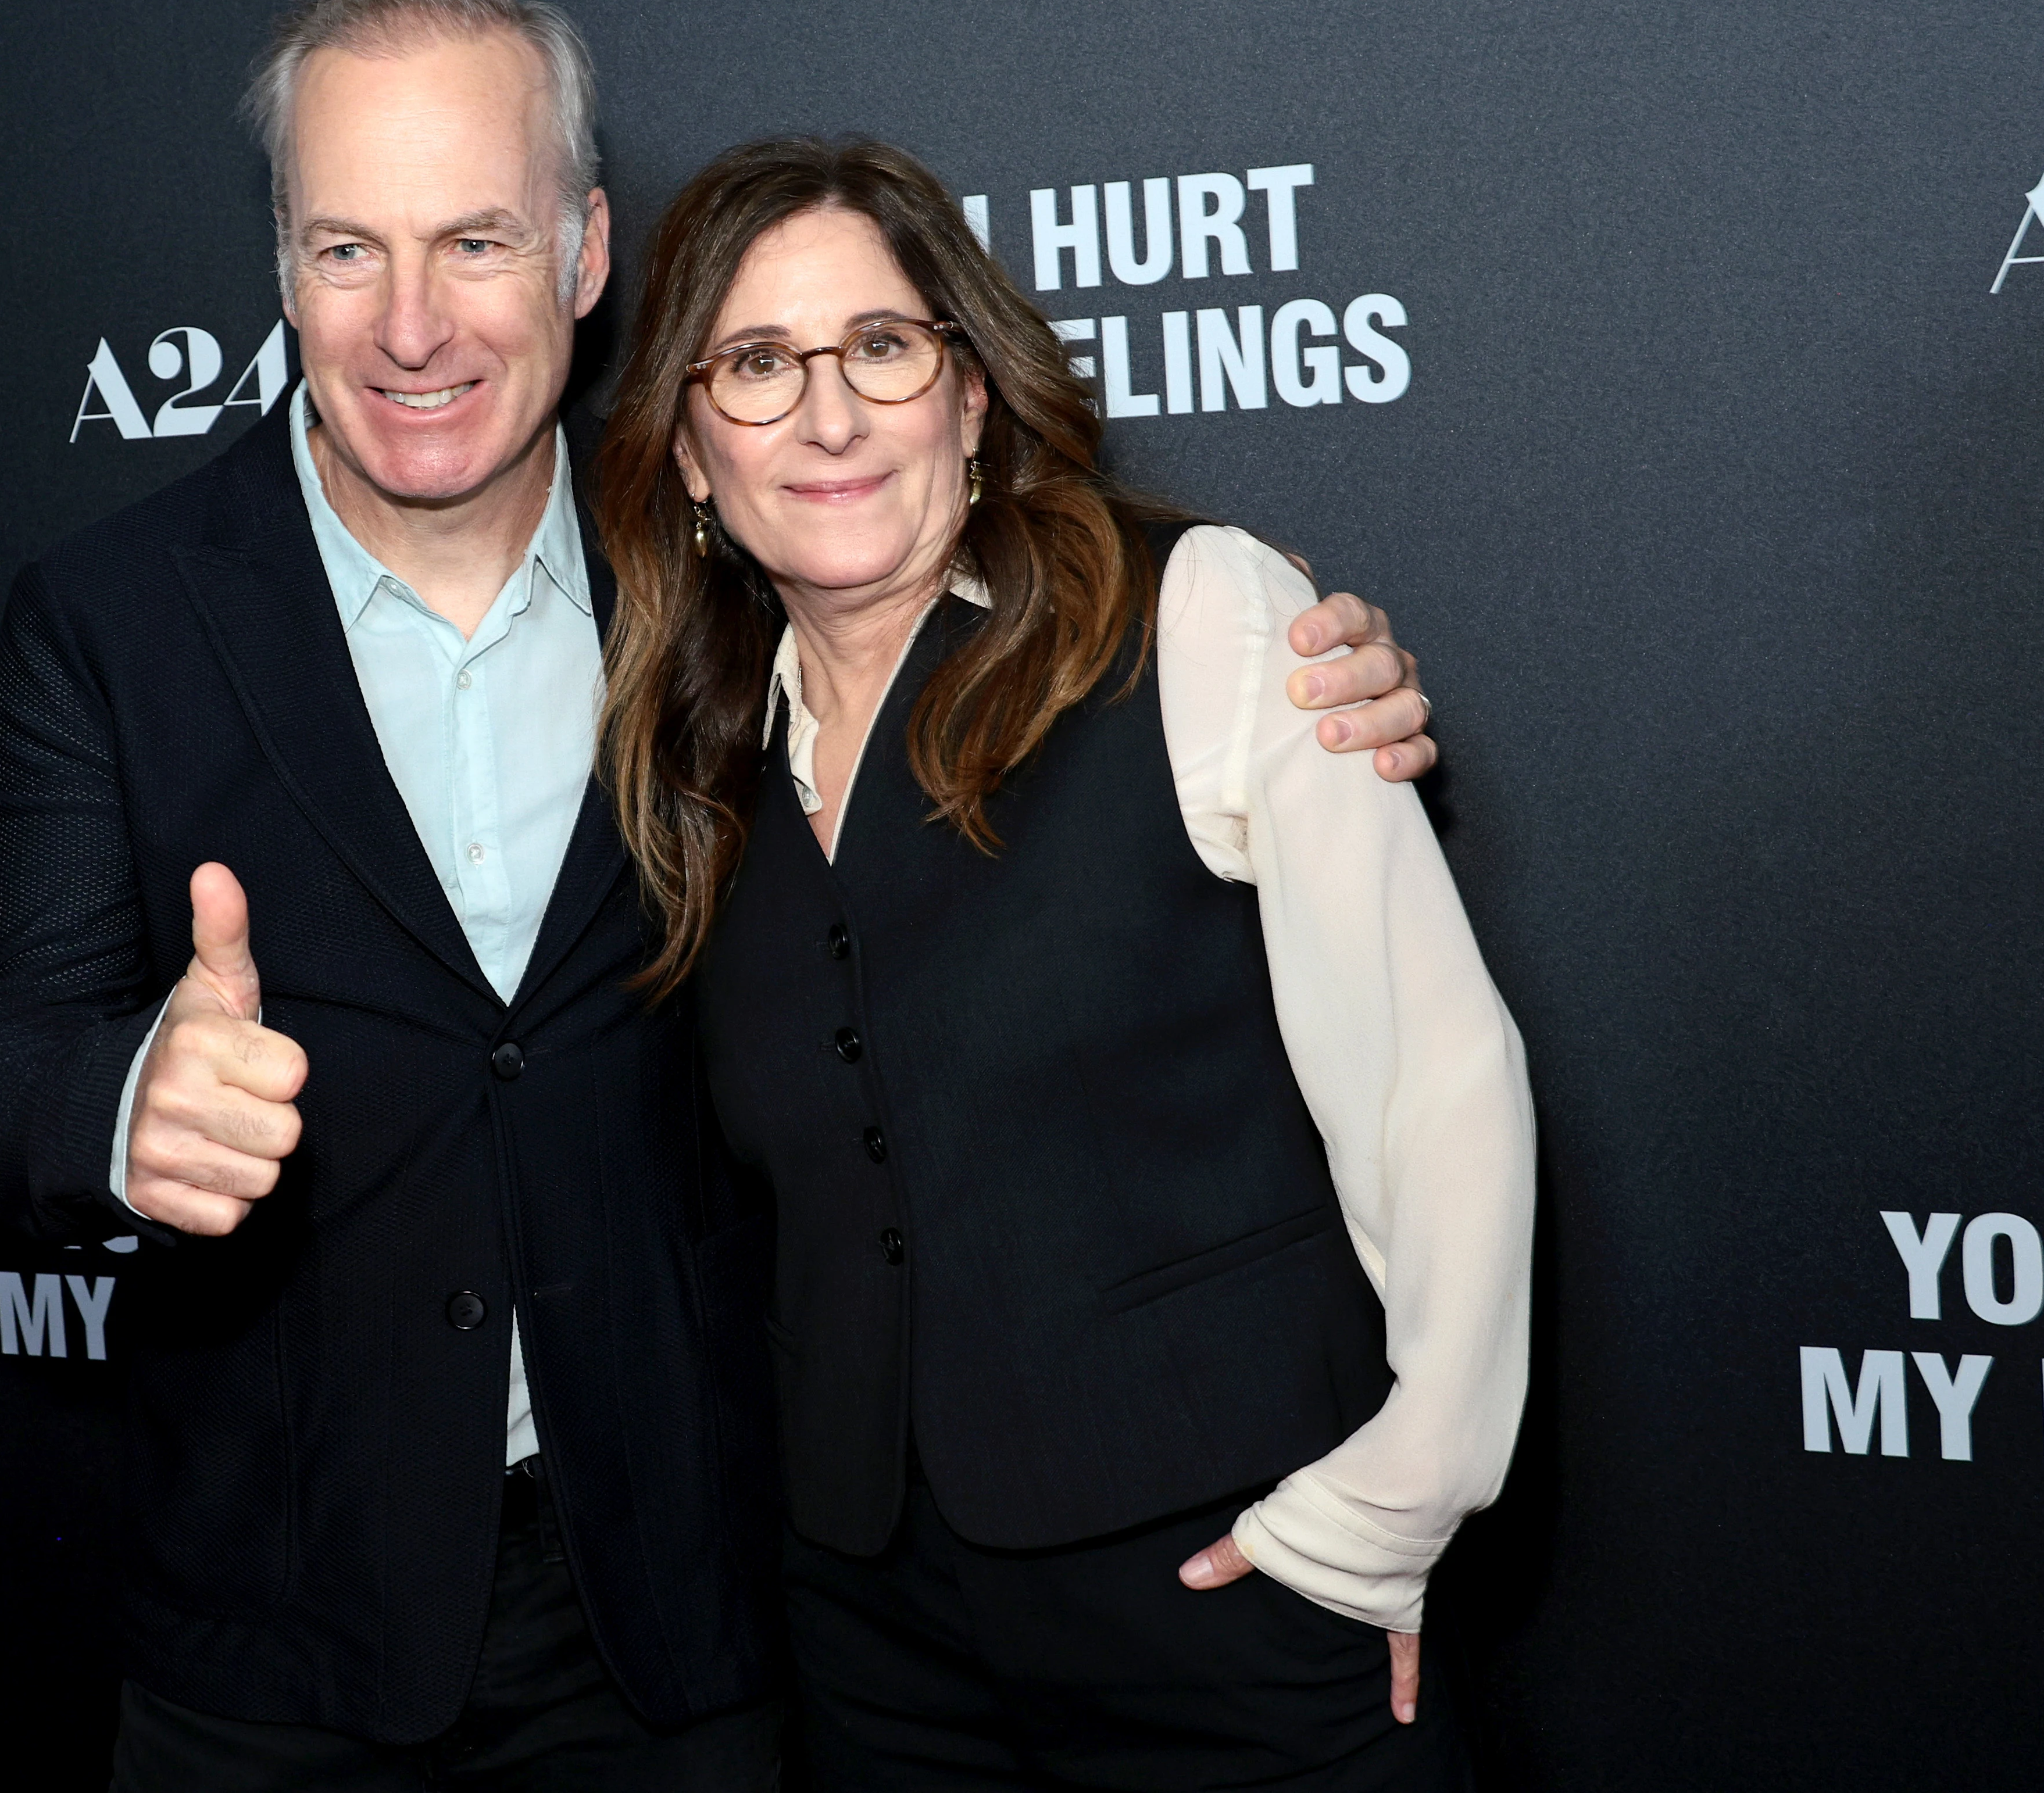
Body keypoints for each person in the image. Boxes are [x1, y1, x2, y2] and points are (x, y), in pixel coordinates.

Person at [0, 0, 1439, 1792]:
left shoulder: (730, 580)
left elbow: (1062, 646)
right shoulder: (110, 618)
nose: (411, 327)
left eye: (473, 241)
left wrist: (1299, 674)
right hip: (276, 1635)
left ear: (579, 253)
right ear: (278, 261)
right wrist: (123, 1107)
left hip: (691, 1619)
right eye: (346, 251)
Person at [594, 137, 1534, 1791]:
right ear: (685, 448)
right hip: (879, 1650)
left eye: (880, 347)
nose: (827, 416)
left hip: (1232, 1586)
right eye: (754, 365)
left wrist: (1388, 1506)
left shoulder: (1199, 617)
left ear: (968, 393)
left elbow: (1435, 1082)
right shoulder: (691, 771)